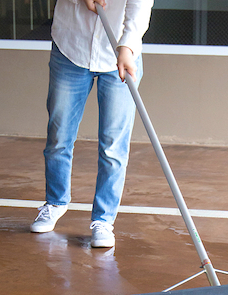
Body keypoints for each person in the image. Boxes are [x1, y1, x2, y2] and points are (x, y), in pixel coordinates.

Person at [31, 0, 153, 248]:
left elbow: (139, 5)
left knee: (113, 145)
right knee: (59, 136)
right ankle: (55, 202)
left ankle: (103, 220)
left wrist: (127, 46)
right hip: (71, 48)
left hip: (119, 53)